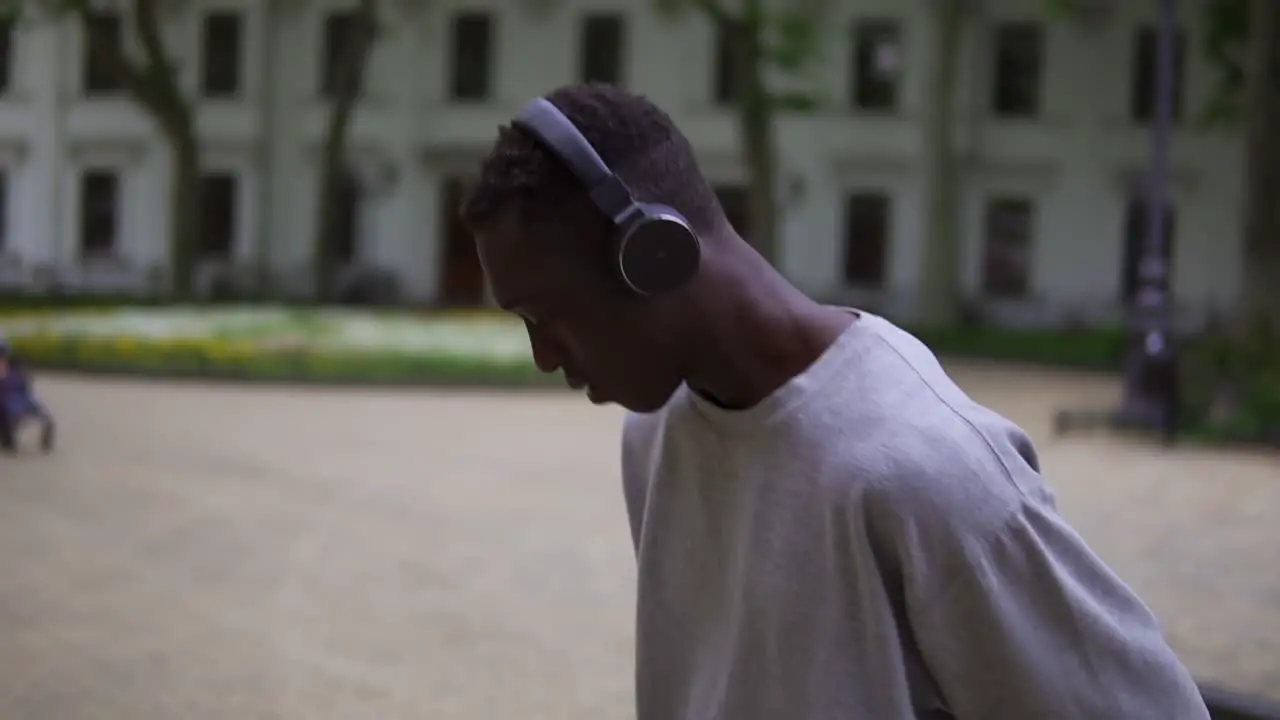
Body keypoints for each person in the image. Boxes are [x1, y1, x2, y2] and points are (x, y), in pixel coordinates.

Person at [462, 83, 1209, 720]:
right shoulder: (655, 434)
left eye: (545, 316)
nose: (544, 357)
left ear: (654, 255)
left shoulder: (925, 470)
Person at [0, 342, 55, 453]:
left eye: (3, 356)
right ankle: (8, 441)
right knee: (11, 416)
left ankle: (46, 442)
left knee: (47, 418)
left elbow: (25, 385)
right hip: (5, 401)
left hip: (22, 398)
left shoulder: (16, 370)